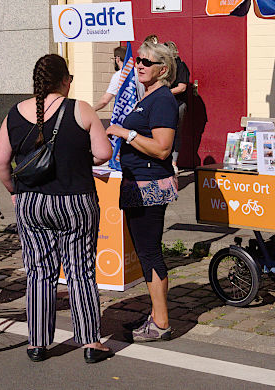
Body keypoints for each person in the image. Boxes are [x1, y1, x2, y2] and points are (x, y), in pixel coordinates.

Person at [0, 54, 114, 364]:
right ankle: (90, 342)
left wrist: (15, 192)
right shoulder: (80, 109)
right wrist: (79, 159)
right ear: (64, 81)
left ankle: (37, 342)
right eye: (69, 80)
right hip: (76, 201)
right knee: (80, 272)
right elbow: (103, 152)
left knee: (38, 272)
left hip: (31, 202)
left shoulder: (14, 114)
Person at [106, 41, 178, 343]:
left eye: (146, 62)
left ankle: (161, 322)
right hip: (136, 183)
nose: (140, 65)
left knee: (150, 252)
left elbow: (162, 149)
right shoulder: (146, 96)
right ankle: (155, 314)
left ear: (162, 69)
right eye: (138, 60)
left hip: (149, 187)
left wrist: (126, 133)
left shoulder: (162, 99)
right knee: (146, 252)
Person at [164, 41, 189, 174]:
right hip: (164, 104)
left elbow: (182, 87)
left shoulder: (180, 66)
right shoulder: (162, 67)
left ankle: (173, 163)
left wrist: (165, 93)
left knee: (175, 133)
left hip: (177, 104)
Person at [93, 46, 127, 111]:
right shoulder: (137, 72)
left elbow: (104, 101)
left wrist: (92, 110)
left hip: (125, 115)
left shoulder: (119, 75)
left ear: (117, 59)